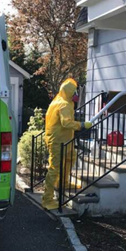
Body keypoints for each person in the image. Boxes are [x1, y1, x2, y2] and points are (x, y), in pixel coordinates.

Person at [43, 78, 92, 210]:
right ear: (69, 92)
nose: (76, 94)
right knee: (54, 168)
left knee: (71, 157)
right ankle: (47, 199)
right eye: (74, 91)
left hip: (65, 139)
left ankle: (63, 182)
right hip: (58, 140)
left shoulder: (62, 101)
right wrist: (82, 125)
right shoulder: (64, 104)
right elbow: (66, 123)